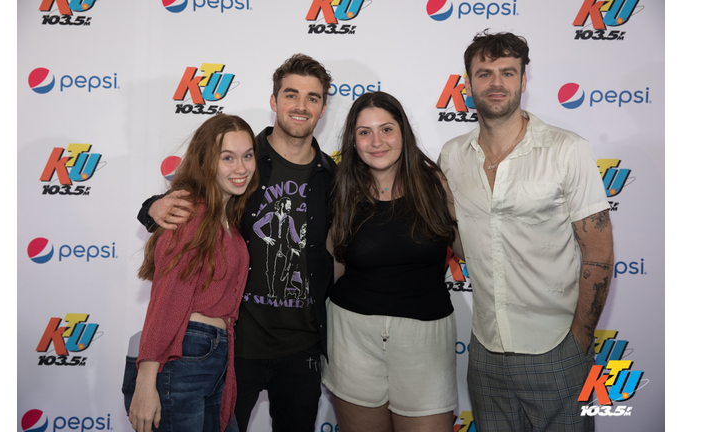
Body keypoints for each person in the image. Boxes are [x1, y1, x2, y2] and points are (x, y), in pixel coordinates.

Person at [136, 54, 335, 432]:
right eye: (291, 94)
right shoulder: (245, 160)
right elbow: (192, 199)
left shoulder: (333, 177)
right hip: (235, 344)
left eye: (312, 97)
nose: (300, 106)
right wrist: (153, 207)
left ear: (323, 108)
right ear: (274, 101)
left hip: (302, 347)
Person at [438, 30, 614, 431]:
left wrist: (579, 341)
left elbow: (599, 252)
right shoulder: (452, 156)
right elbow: (462, 243)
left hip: (557, 347)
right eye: (484, 73)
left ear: (523, 81)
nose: (495, 82)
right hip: (484, 351)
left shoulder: (567, 150)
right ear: (467, 84)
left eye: (507, 72)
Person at [324, 91, 461, 432]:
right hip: (352, 336)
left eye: (386, 129)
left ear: (403, 133)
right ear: (353, 142)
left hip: (425, 340)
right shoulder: (341, 189)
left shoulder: (435, 185)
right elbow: (331, 267)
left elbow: (469, 247)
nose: (376, 141)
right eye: (364, 132)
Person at [124, 114, 259, 432]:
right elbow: (167, 299)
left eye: (247, 156)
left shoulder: (225, 215)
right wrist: (146, 378)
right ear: (206, 160)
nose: (240, 168)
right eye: (227, 158)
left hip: (215, 355)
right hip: (184, 354)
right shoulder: (189, 214)